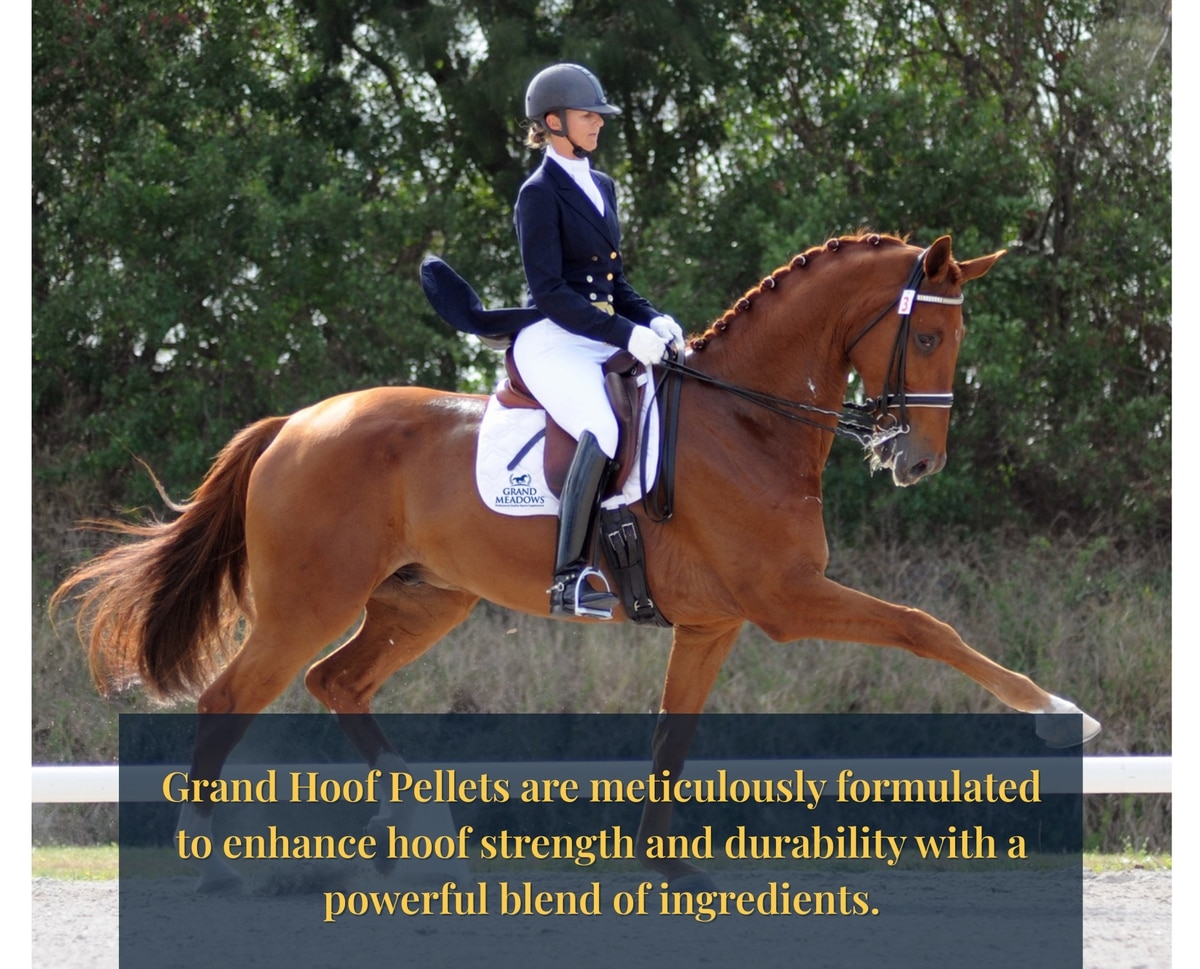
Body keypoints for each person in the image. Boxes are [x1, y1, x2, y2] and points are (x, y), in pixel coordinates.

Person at [513, 62, 684, 620]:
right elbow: (551, 293)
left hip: (595, 332)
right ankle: (568, 578)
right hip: (552, 337)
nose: (599, 123)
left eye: (599, 115)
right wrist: (626, 333)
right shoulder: (538, 193)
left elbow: (615, 283)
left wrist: (652, 319)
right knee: (603, 426)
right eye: (588, 115)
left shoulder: (603, 185)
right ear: (553, 122)